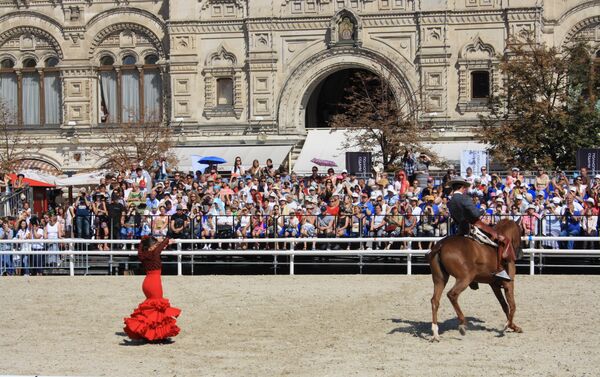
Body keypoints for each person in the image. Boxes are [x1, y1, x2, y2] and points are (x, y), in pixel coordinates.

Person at [446, 177, 510, 281]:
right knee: (502, 239)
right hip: (474, 226)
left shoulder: (451, 201)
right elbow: (475, 214)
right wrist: (483, 208)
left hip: (460, 229)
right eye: (464, 188)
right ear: (461, 187)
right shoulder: (464, 198)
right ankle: (499, 269)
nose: (465, 190)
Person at [123, 236, 181, 342]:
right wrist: (165, 239)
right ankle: (155, 335)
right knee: (157, 308)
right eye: (154, 245)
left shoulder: (142, 255)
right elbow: (162, 245)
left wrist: (146, 240)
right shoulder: (154, 253)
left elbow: (141, 247)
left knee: (150, 309)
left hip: (147, 283)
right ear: (150, 247)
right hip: (154, 283)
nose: (156, 247)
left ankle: (149, 332)